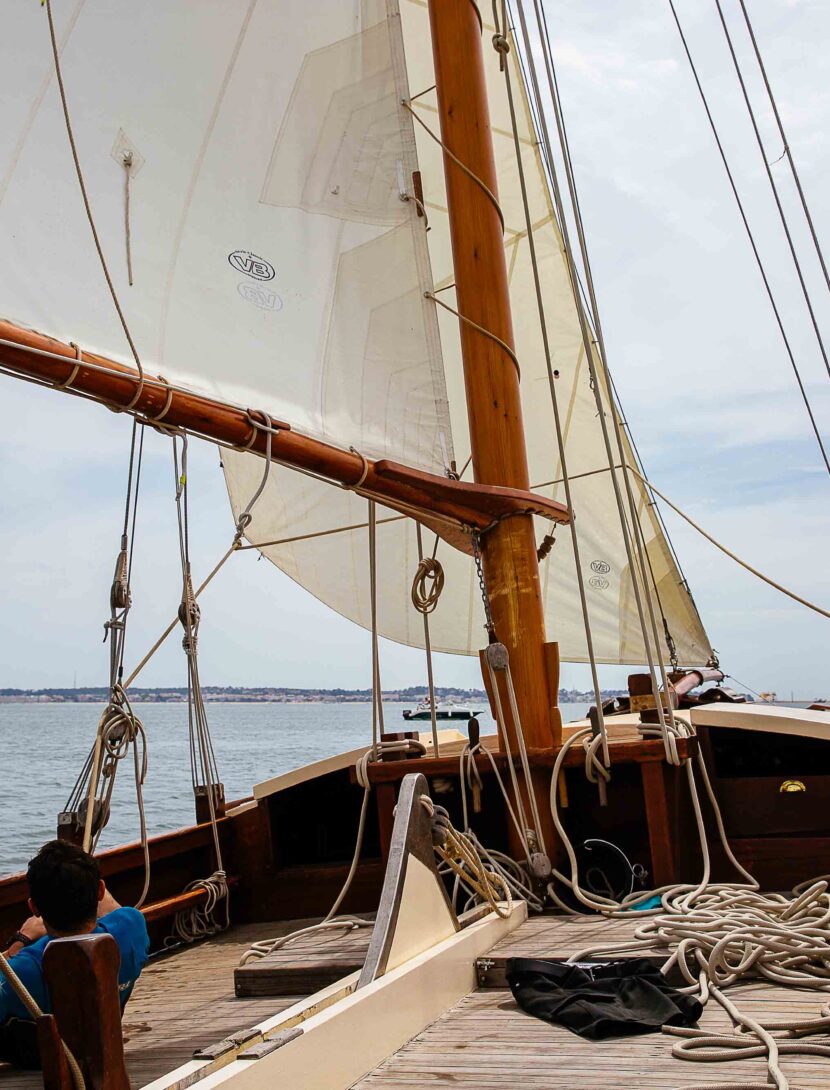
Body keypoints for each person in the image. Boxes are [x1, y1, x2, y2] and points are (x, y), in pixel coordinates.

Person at [0, 840, 149, 1068]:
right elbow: (112, 909)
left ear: (34, 908)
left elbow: (7, 975)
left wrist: (21, 941)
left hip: (43, 1058)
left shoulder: (23, 969)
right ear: (100, 890)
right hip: (101, 1041)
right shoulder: (132, 928)